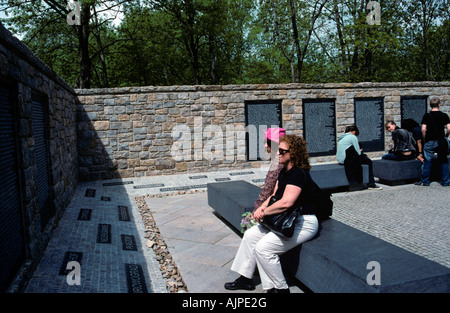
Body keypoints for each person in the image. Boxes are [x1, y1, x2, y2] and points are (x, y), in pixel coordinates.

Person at [225, 135, 318, 293]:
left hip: (302, 222)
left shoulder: (298, 174)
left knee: (264, 249)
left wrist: (265, 212)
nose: (278, 154)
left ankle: (280, 289)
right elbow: (274, 196)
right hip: (284, 218)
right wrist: (262, 208)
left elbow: (286, 203)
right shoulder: (284, 172)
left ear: (293, 153)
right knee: (250, 236)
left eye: (282, 151)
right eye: (278, 150)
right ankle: (246, 278)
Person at [415, 97, 450, 186]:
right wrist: (445, 136)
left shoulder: (427, 116)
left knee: (427, 161)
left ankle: (425, 181)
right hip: (441, 140)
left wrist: (424, 139)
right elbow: (449, 128)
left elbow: (423, 129)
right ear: (439, 105)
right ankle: (445, 181)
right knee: (443, 161)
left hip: (430, 141)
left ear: (430, 106)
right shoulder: (444, 115)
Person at [336, 125, 381, 189]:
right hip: (347, 159)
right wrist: (360, 151)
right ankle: (371, 183)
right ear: (354, 131)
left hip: (340, 160)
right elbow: (358, 152)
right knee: (369, 161)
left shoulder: (341, 138)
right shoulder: (353, 137)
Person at [253, 128, 286, 211]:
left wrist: (256, 210)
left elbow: (268, 189)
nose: (265, 145)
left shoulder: (278, 162)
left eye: (268, 142)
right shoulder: (284, 158)